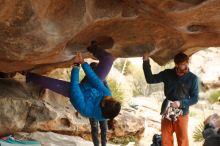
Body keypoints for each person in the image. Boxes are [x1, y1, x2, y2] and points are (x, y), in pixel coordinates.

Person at [26, 41, 121, 121]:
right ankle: (93, 48)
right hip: (91, 85)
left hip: (76, 92)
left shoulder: (86, 110)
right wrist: (83, 63)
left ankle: (28, 76)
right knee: (108, 59)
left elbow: (74, 87)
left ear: (103, 104)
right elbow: (95, 81)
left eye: (107, 98)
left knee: (46, 82)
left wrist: (76, 65)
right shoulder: (107, 95)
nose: (108, 95)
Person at [143, 52, 199, 146]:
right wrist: (145, 61)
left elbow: (195, 98)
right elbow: (150, 79)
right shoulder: (167, 73)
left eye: (187, 63)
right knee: (166, 140)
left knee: (183, 141)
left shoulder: (193, 78)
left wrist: (180, 103)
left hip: (182, 113)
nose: (186, 66)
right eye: (183, 64)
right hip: (167, 111)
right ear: (176, 64)